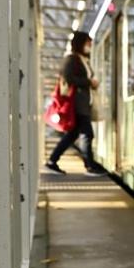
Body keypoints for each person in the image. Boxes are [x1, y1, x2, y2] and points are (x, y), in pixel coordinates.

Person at [46, 31, 103, 174]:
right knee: (87, 134)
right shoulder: (72, 59)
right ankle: (89, 166)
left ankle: (52, 161)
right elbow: (68, 77)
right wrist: (88, 82)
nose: (90, 45)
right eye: (88, 42)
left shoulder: (83, 60)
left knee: (73, 135)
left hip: (82, 103)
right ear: (80, 43)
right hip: (76, 104)